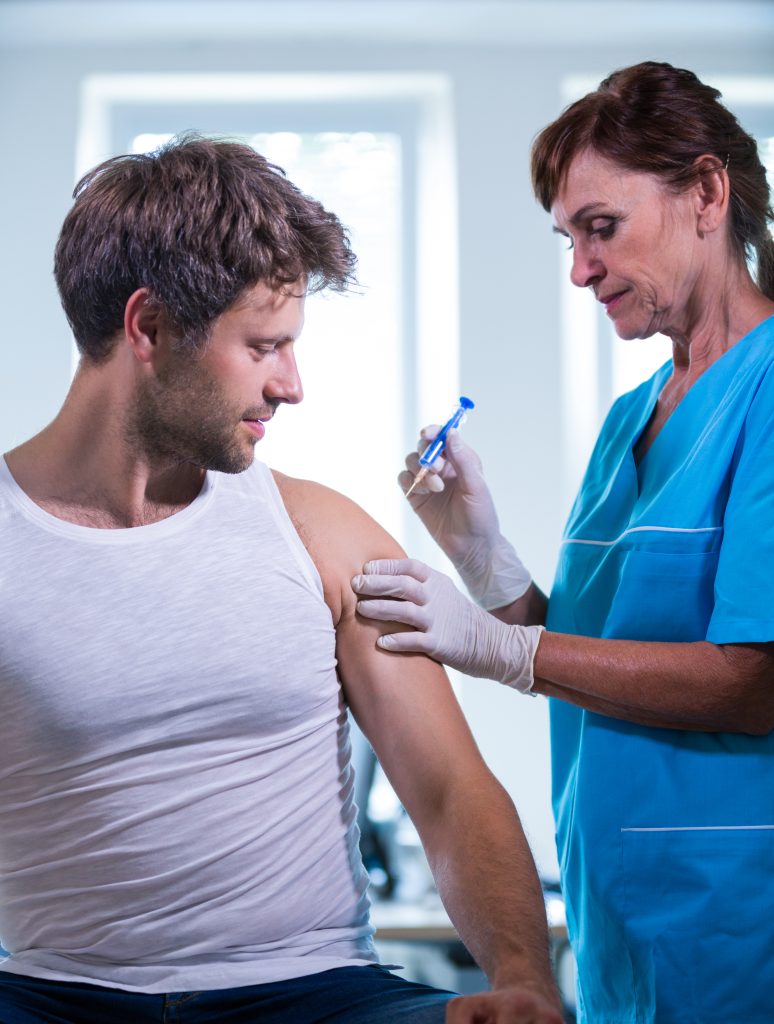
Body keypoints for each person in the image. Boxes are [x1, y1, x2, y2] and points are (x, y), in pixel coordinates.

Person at [0, 135, 564, 1024]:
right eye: (265, 346)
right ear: (149, 327)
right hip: (54, 995)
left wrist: (524, 982)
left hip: (316, 995)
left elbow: (450, 790)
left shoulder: (321, 534)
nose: (292, 385)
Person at [353, 61, 774, 1023]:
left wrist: (504, 649)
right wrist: (485, 562)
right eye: (568, 239)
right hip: (616, 923)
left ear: (708, 194)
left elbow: (754, 683)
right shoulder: (632, 417)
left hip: (738, 929)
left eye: (602, 228)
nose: (580, 270)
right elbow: (593, 653)